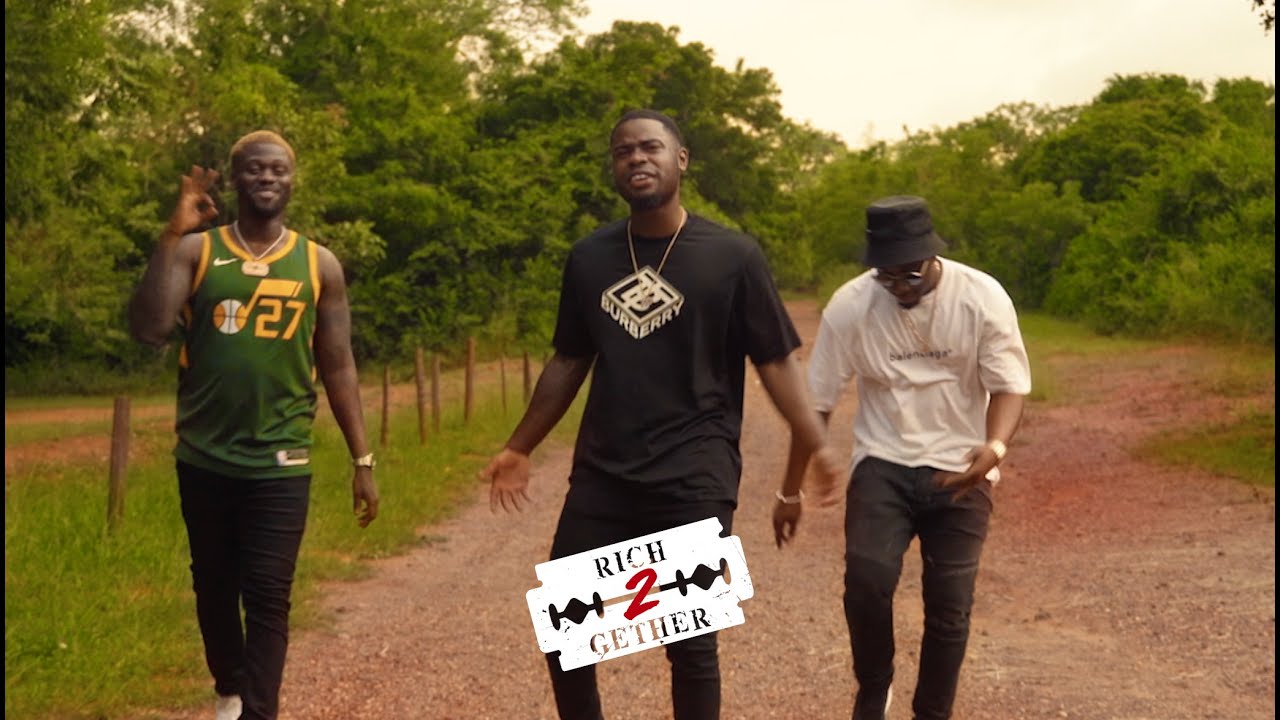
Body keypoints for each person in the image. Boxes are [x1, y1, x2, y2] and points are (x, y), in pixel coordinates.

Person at [480, 109, 841, 720]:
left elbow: (776, 362)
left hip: (694, 472)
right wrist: (520, 446)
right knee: (567, 633)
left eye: (650, 147)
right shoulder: (590, 257)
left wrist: (817, 444)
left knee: (690, 642)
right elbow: (570, 359)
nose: (636, 158)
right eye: (623, 151)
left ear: (682, 159)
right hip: (605, 471)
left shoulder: (732, 256)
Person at [128, 130, 380, 720]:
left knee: (268, 594)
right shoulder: (198, 251)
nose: (267, 178)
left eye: (278, 170)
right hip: (205, 455)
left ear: (292, 182)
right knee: (214, 586)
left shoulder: (319, 264)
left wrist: (362, 459)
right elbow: (150, 328)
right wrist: (171, 233)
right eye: (255, 169)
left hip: (281, 459)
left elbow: (338, 364)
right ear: (237, 178)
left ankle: (259, 712)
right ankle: (230, 689)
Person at [773, 195, 1031, 720]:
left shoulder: (981, 297)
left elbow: (1009, 385)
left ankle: (932, 712)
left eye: (910, 274)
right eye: (887, 276)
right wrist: (790, 489)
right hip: (883, 465)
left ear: (933, 256)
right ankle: (875, 685)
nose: (900, 286)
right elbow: (815, 405)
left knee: (950, 606)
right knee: (865, 584)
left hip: (961, 468)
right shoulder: (851, 306)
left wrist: (995, 447)